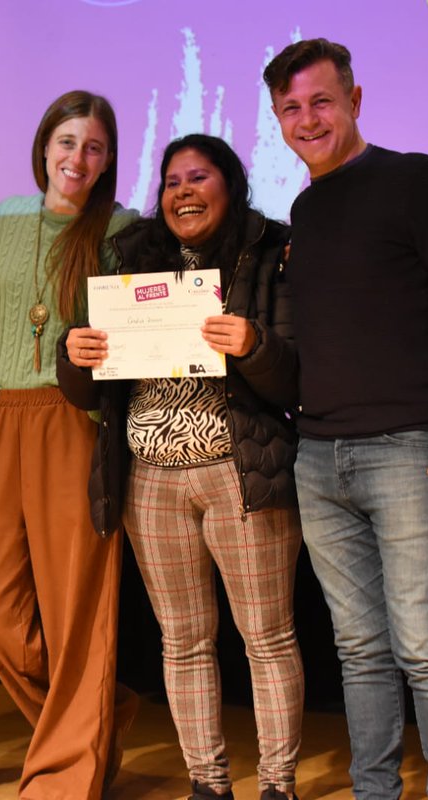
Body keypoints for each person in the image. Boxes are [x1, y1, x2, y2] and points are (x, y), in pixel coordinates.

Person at [264, 38, 428, 800]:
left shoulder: (415, 180)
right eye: (291, 108)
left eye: (321, 101)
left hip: (410, 448)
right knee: (360, 650)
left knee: (425, 646)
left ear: (355, 100)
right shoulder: (304, 210)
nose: (308, 119)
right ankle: (375, 793)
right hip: (317, 457)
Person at [58, 134, 305, 800]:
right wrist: (74, 355)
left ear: (230, 185)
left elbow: (295, 379)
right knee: (185, 641)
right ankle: (208, 782)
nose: (184, 192)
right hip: (150, 480)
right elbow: (89, 387)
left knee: (266, 637)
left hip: (240, 473)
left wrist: (252, 344)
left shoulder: (268, 254)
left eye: (199, 178)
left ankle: (277, 784)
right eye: (172, 182)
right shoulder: (129, 259)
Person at [0, 90, 139, 799]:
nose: (78, 158)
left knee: (76, 613)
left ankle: (65, 777)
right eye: (68, 142)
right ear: (43, 147)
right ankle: (100, 713)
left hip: (73, 419)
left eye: (94, 147)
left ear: (108, 159)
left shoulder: (123, 228)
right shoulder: (0, 219)